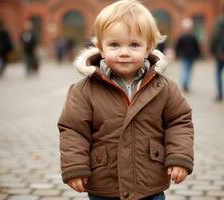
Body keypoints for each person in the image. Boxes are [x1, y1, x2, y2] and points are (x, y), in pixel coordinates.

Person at [58, 1, 194, 200]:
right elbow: (73, 130)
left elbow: (179, 121)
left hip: (149, 184)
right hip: (105, 184)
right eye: (114, 44)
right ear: (100, 48)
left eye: (134, 45)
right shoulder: (84, 90)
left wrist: (180, 157)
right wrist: (75, 166)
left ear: (148, 48)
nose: (124, 52)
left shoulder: (164, 87)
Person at [175, 18, 200, 93]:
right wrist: (198, 54)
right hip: (191, 56)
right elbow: (197, 47)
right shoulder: (193, 36)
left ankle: (184, 83)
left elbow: (177, 46)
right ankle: (186, 83)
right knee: (188, 70)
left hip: (185, 55)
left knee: (185, 69)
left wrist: (177, 54)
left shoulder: (182, 36)